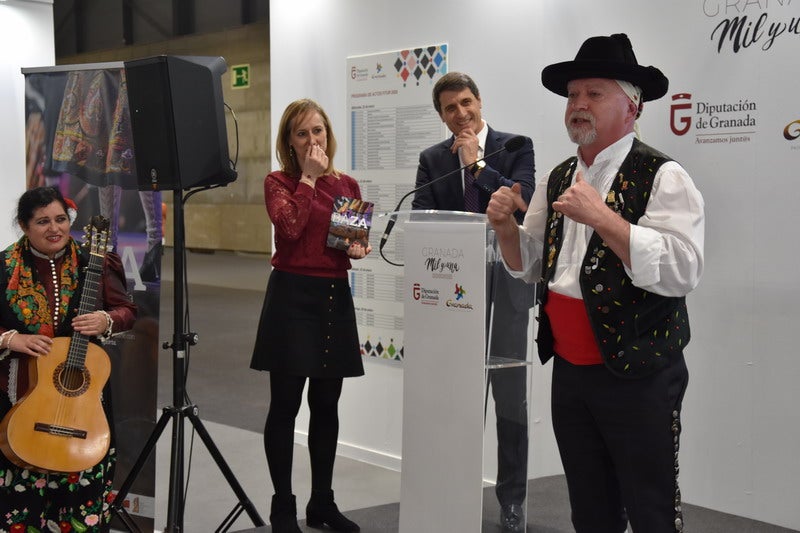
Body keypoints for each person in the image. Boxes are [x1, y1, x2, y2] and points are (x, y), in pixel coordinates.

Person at [486, 34, 705, 532]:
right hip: (572, 371)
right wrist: (505, 229)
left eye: (594, 94)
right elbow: (533, 265)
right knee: (590, 506)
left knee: (650, 506)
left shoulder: (663, 175)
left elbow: (684, 269)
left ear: (632, 106)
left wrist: (605, 219)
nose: (578, 105)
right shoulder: (559, 177)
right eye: (573, 95)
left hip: (639, 372)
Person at [412, 71, 535, 533]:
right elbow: (422, 218)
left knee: (509, 401)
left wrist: (477, 166)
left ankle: (513, 501)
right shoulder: (430, 159)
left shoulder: (515, 146)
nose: (460, 114)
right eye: (450, 108)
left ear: (479, 101)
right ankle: (456, 489)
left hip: (506, 282)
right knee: (458, 397)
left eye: (466, 103)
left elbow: (520, 204)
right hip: (452, 292)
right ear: (441, 115)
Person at [250, 99, 370, 533]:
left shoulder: (348, 184)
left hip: (333, 296)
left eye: (318, 131)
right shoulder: (278, 181)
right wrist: (309, 180)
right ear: (289, 142)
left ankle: (323, 502)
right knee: (285, 406)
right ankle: (283, 506)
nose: (312, 139)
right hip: (291, 297)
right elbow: (290, 229)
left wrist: (357, 246)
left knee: (327, 406)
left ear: (328, 134)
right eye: (302, 133)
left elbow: (348, 243)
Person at [0, 186, 137, 532]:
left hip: (81, 403)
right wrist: (11, 338)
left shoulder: (96, 261)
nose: (54, 228)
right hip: (21, 399)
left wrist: (107, 319)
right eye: (43, 221)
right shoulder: (3, 268)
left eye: (61, 219)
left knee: (81, 499)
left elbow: (126, 310)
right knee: (20, 503)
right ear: (23, 226)